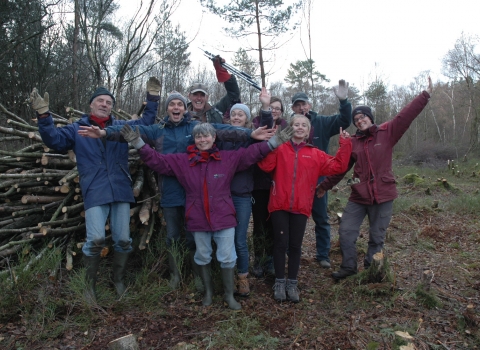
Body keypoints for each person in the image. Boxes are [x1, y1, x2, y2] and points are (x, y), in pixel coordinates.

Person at [78, 91, 275, 291]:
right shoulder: (157, 130)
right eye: (172, 104)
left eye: (179, 105)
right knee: (172, 235)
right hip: (170, 189)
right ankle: (175, 274)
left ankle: (197, 275)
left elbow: (221, 130)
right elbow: (133, 130)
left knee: (193, 235)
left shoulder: (194, 128)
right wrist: (104, 133)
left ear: (184, 108)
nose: (176, 108)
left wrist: (250, 133)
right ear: (167, 109)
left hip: (194, 190)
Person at [118, 122, 293, 309]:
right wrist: (138, 144)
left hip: (224, 217)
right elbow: (158, 161)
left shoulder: (227, 158)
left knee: (227, 256)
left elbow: (252, 154)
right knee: (202, 255)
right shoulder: (183, 161)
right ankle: (208, 293)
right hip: (197, 218)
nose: (202, 140)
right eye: (198, 137)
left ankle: (228, 295)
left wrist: (274, 142)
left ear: (214, 137)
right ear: (194, 139)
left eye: (206, 136)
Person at [31, 78, 161, 301]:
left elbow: (147, 125)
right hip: (95, 189)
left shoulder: (119, 127)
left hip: (120, 189)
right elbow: (53, 139)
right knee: (96, 239)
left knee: (123, 240)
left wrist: (153, 99)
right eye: (100, 101)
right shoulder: (76, 129)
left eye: (108, 102)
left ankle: (118, 281)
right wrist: (44, 116)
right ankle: (89, 287)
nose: (104, 104)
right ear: (91, 105)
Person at [317, 77, 433, 280]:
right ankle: (348, 268)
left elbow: (406, 116)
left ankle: (372, 272)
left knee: (376, 237)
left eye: (363, 117)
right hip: (358, 197)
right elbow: (340, 169)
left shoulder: (387, 132)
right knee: (346, 232)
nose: (360, 121)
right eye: (356, 120)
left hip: (383, 195)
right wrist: (324, 186)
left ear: (370, 118)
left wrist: (424, 95)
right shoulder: (353, 142)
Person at [257, 115, 352, 302]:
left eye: (304, 126)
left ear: (309, 131)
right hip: (279, 204)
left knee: (295, 246)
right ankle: (279, 281)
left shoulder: (315, 154)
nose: (300, 128)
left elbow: (338, 166)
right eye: (296, 125)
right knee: (280, 243)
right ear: (290, 128)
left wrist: (345, 145)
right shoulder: (281, 149)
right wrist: (274, 142)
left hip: (301, 206)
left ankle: (292, 282)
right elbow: (264, 165)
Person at [215, 88, 274, 297]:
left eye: (241, 114)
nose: (236, 117)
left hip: (241, 196)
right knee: (222, 238)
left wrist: (266, 107)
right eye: (233, 114)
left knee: (239, 239)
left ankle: (242, 277)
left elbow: (267, 129)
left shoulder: (253, 138)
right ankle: (224, 275)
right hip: (220, 195)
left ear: (248, 119)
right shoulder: (221, 136)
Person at [290, 80, 352, 269]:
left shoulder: (322, 122)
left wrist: (344, 102)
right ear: (293, 108)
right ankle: (290, 253)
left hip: (317, 181)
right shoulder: (290, 127)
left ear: (309, 105)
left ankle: (323, 255)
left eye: (304, 104)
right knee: (292, 218)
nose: (301, 108)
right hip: (295, 182)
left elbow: (344, 121)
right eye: (297, 105)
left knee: (321, 218)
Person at [250, 96, 288, 278]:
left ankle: (271, 259)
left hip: (278, 184)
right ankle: (258, 258)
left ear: (281, 112)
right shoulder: (255, 127)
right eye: (271, 107)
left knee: (275, 224)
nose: (274, 111)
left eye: (278, 108)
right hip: (258, 183)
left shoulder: (286, 129)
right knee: (259, 224)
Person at [187, 56, 240, 123]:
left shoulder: (216, 112)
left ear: (207, 97)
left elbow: (233, 94)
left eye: (202, 95)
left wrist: (223, 73)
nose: (199, 98)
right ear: (189, 96)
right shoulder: (181, 114)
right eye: (195, 95)